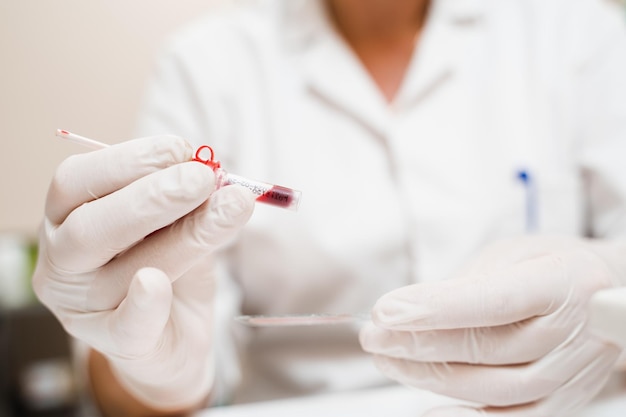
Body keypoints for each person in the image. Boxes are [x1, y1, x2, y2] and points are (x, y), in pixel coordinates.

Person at [32, 0, 626, 416]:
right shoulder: (209, 65)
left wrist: (607, 293)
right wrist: (148, 367)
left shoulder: (578, 34)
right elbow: (131, 381)